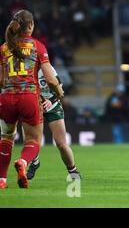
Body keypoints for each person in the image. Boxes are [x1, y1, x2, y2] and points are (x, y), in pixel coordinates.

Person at [0, 10, 63, 189]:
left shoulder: (4, 48)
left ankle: (1, 180)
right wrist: (58, 91)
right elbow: (50, 78)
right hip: (28, 97)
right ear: (30, 26)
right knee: (33, 141)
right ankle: (23, 162)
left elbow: (0, 80)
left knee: (6, 138)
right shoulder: (37, 46)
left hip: (6, 98)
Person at [26, 66, 81, 181]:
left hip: (53, 105)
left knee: (61, 144)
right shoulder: (24, 69)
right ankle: (35, 162)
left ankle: (73, 170)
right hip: (33, 105)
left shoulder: (47, 67)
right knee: (31, 141)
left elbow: (59, 87)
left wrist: (50, 101)